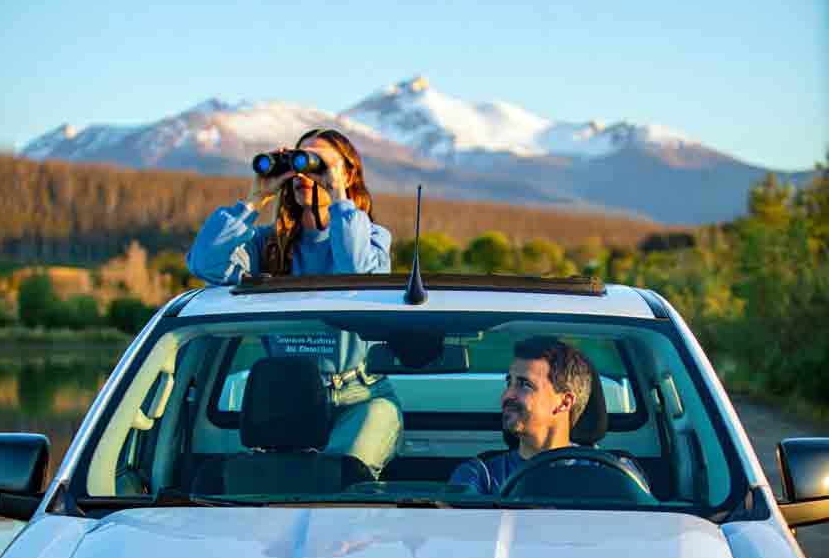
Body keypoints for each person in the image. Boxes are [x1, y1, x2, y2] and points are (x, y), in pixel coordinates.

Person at [186, 128, 402, 477]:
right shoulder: (267, 246)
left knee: (341, 478)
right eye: (299, 163)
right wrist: (254, 201)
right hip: (287, 396)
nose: (305, 175)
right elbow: (204, 264)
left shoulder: (373, 238)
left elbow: (356, 274)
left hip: (361, 397)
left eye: (318, 164)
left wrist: (337, 194)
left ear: (347, 174)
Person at [449, 336, 650, 495]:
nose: (506, 395)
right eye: (509, 382)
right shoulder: (480, 477)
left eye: (524, 384)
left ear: (565, 402)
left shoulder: (615, 473)